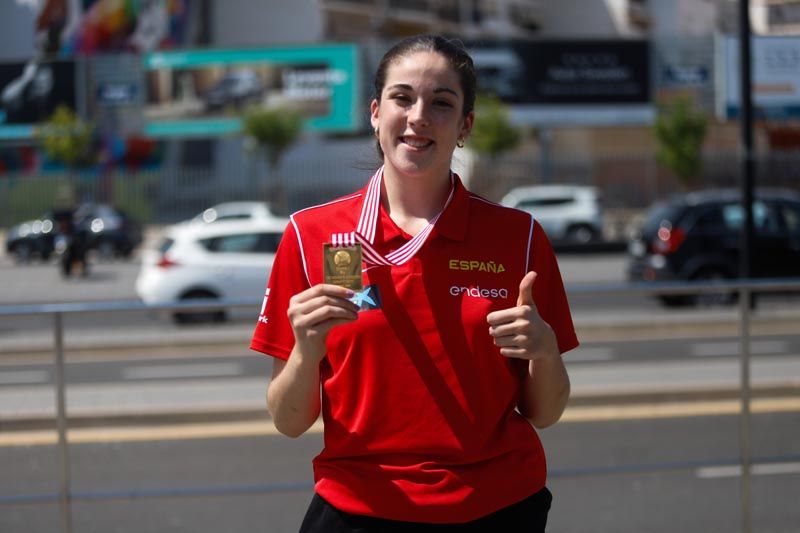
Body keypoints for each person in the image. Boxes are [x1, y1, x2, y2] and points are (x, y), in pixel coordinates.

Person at [250, 34, 578, 532]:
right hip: (359, 509)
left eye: (441, 103)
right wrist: (305, 351)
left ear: (465, 125)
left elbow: (545, 413)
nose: (419, 116)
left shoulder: (519, 237)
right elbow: (289, 421)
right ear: (376, 112)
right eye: (403, 98)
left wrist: (545, 351)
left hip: (497, 507)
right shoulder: (310, 235)